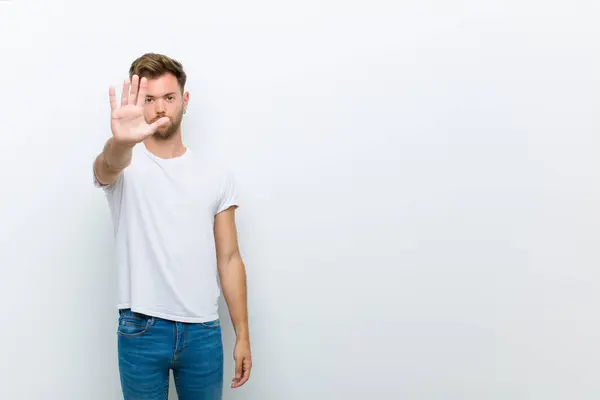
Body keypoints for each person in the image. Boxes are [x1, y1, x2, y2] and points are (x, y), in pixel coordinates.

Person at [92, 52, 252, 399]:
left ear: (185, 100)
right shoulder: (126, 165)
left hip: (203, 332)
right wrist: (121, 142)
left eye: (169, 97)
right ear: (139, 102)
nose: (160, 108)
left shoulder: (216, 175)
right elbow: (106, 166)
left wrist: (242, 333)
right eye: (149, 99)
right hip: (141, 328)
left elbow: (229, 259)